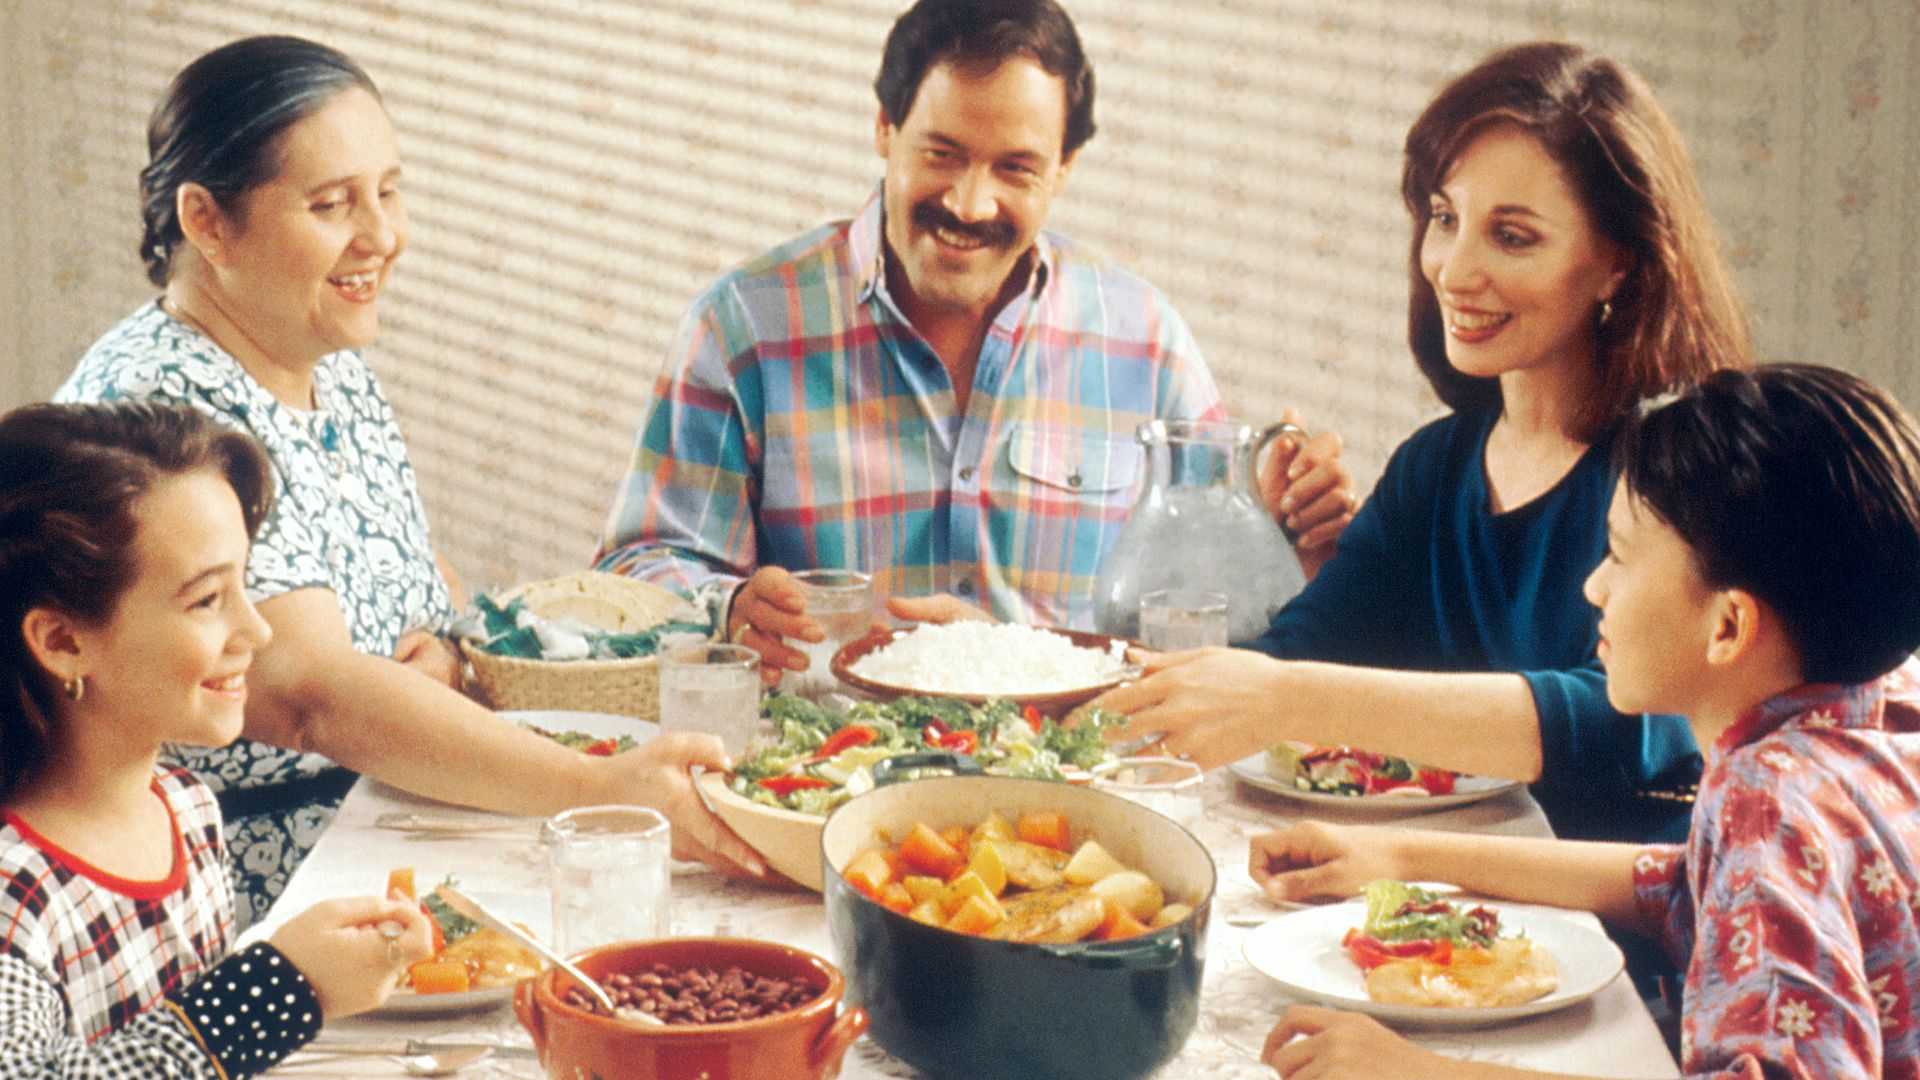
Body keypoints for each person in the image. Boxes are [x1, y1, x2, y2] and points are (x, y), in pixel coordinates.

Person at [58, 35, 763, 927]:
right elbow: (311, 698)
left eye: (389, 192)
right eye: (331, 204)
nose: (384, 237)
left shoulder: (319, 352)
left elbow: (414, 580)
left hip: (391, 815)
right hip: (251, 883)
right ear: (206, 222)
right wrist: (600, 787)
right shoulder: (164, 408)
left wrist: (454, 650)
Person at [1094, 41, 1752, 842]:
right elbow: (1293, 654)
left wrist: (1290, 696)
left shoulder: (1679, 473)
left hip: (1627, 939)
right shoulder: (1436, 467)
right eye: (1444, 218)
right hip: (1443, 914)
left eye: (1512, 236)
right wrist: (1030, 665)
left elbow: (1622, 715)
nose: (1453, 268)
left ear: (1617, 262)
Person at [594, 0, 1354, 687]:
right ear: (885, 129)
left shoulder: (1146, 342)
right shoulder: (741, 330)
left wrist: (1292, 546)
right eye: (942, 153)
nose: (969, 202)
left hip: (1073, 794)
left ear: (1063, 171)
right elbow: (633, 574)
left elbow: (1210, 625)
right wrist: (726, 608)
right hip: (820, 783)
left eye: (1015, 168)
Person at [1252, 364, 1920, 1079]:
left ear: (1728, 627)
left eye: (1621, 557)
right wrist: (1401, 857)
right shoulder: (1875, 719)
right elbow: (1685, 885)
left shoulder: (1767, 801)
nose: (1593, 586)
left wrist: (1422, 1071)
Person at [0, 400, 436, 1077]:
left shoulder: (184, 805)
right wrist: (283, 988)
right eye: (206, 600)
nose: (258, 632)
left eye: (246, 585)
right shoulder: (15, 896)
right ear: (62, 641)